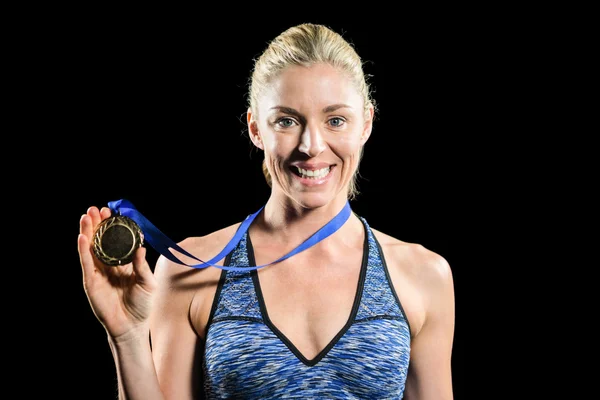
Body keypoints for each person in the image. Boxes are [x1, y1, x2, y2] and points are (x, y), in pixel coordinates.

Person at [78, 22, 455, 399]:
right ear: (256, 128)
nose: (311, 145)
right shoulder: (189, 269)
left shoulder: (423, 276)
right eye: (287, 121)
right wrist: (127, 337)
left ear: (366, 124)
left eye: (335, 120)